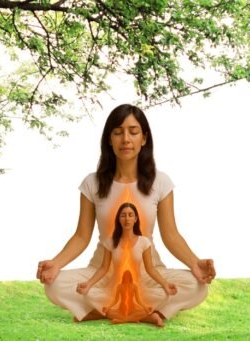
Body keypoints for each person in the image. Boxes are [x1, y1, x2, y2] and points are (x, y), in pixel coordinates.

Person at [37, 103, 216, 324]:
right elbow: (82, 236)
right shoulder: (91, 183)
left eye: (133, 131)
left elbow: (171, 235)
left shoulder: (161, 182)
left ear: (144, 139)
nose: (126, 139)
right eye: (118, 132)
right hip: (101, 275)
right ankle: (135, 310)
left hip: (149, 276)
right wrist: (56, 263)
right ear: (109, 139)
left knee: (197, 286)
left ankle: (111, 309)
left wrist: (194, 262)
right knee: (54, 286)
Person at [76, 203, 177, 327]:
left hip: (139, 291)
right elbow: (103, 268)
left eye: (130, 215)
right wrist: (88, 284)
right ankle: (146, 316)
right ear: (118, 219)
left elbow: (151, 269)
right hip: (113, 292)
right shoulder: (110, 242)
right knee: (88, 296)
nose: (127, 219)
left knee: (164, 296)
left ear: (135, 219)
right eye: (123, 215)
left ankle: (101, 314)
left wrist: (165, 284)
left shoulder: (144, 242)